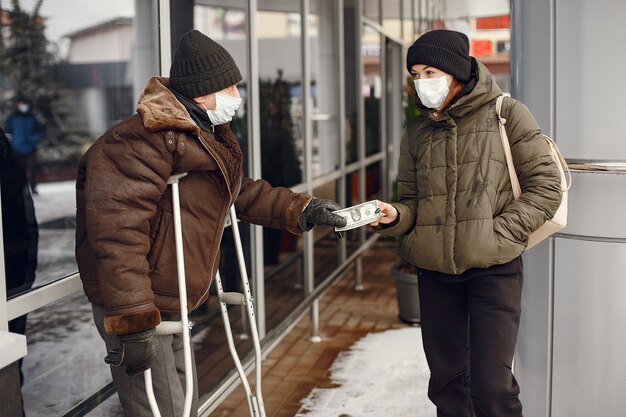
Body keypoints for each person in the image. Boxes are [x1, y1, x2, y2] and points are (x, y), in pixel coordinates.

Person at [75, 29, 346, 417]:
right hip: (139, 298)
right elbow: (118, 234)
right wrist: (133, 318)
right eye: (231, 88)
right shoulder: (135, 144)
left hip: (176, 294)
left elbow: (239, 192)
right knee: (161, 406)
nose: (237, 97)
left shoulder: (199, 135)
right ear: (203, 93)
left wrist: (301, 208)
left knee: (183, 401)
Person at [372, 29, 562, 417]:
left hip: (493, 271)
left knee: (493, 389)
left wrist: (497, 235)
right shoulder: (418, 132)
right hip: (435, 274)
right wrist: (395, 215)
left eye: (430, 72)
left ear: (457, 71)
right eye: (416, 75)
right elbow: (411, 202)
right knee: (447, 386)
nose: (422, 83)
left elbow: (546, 187)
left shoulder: (506, 114)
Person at [0, 127, 39, 417]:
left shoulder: (5, 152)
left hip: (14, 271)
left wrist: (26, 274)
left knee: (11, 355)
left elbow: (25, 217)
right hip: (15, 269)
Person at [5, 98, 41, 194]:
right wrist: (11, 145)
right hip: (16, 148)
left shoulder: (32, 117)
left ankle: (33, 187)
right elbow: (8, 133)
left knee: (32, 169)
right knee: (18, 169)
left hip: (31, 148)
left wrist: (33, 141)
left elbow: (37, 132)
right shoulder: (12, 118)